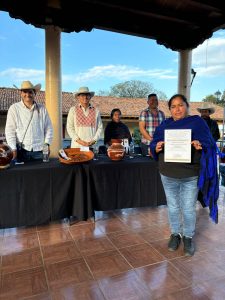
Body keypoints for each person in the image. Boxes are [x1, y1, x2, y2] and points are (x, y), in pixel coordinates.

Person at [150, 94, 218, 257]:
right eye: (173, 106)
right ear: (170, 109)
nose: (177, 109)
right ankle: (175, 234)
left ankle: (187, 236)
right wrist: (157, 146)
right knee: (173, 206)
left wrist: (200, 145)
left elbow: (210, 143)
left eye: (180, 105)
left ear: (187, 106)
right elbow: (153, 144)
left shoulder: (197, 123)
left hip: (190, 174)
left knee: (188, 208)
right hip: (168, 173)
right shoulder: (164, 125)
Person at [5, 81, 53, 162]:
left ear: (35, 94)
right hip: (20, 151)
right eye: (25, 92)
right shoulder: (14, 108)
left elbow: (49, 128)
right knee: (20, 174)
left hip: (40, 151)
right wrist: (13, 149)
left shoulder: (42, 109)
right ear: (21, 93)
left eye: (30, 92)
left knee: (42, 174)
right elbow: (10, 131)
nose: (27, 94)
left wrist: (47, 144)